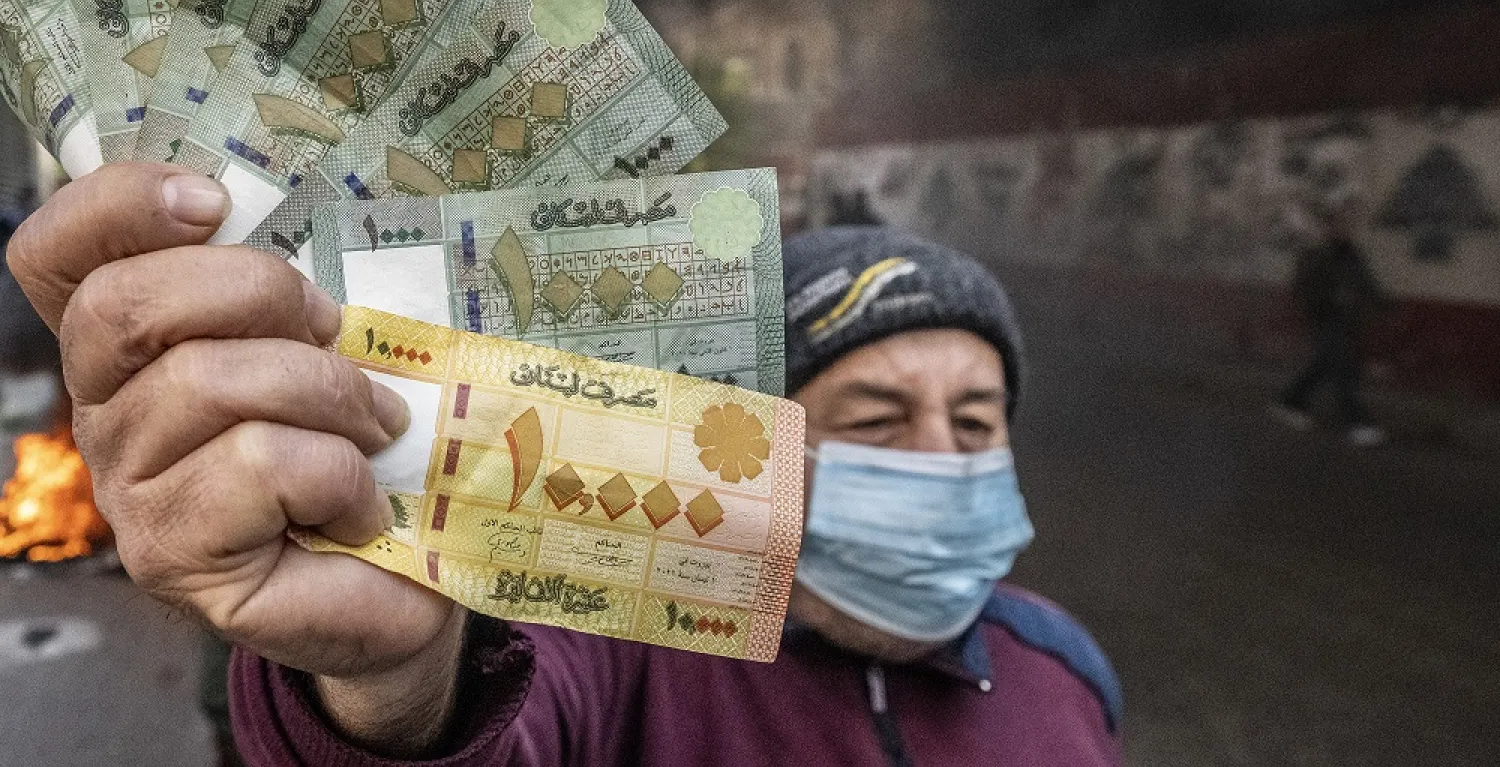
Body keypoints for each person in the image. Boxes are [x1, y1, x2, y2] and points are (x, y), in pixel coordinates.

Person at [7, 164, 1122, 765]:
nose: (940, 460)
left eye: (977, 423)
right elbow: (489, 734)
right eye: (876, 420)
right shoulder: (621, 660)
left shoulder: (1064, 669)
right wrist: (395, 684)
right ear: (744, 444)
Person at [1271, 205, 1387, 447]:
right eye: (1340, 224)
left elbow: (1366, 283)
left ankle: (1289, 402)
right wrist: (1327, 303)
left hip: (1346, 322)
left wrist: (1381, 304)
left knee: (1323, 366)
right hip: (1325, 320)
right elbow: (1303, 287)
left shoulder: (1353, 255)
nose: (1347, 229)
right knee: (1343, 369)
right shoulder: (1318, 255)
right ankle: (1358, 423)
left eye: (1349, 225)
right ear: (1329, 227)